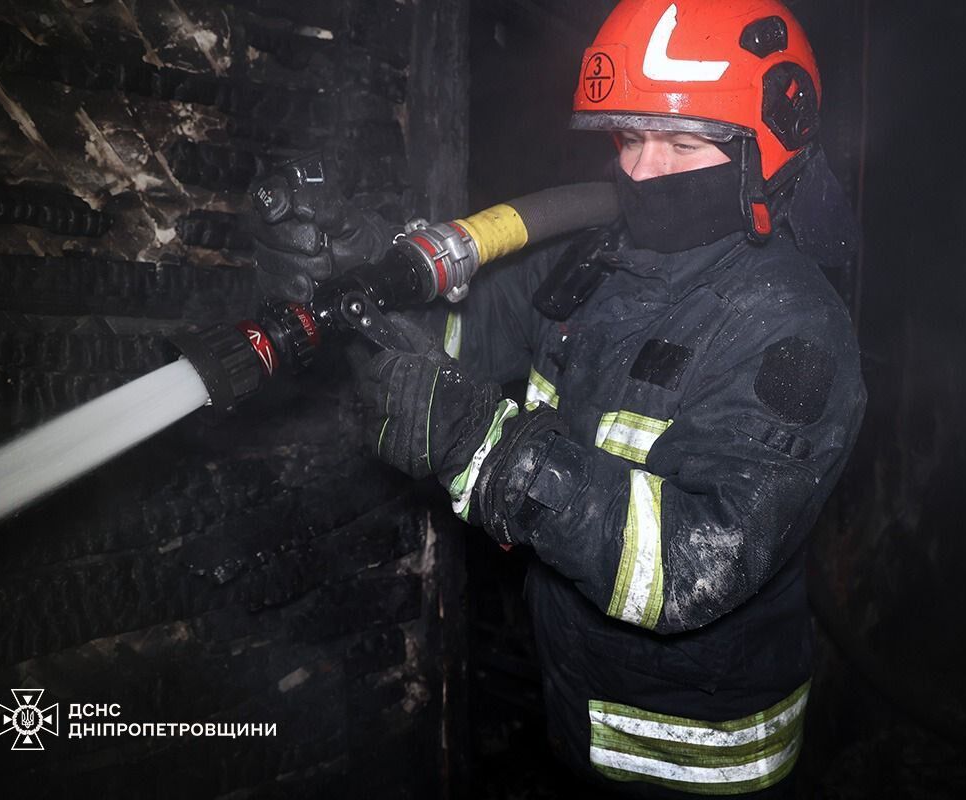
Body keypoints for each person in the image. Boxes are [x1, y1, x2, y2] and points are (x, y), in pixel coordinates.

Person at [252, 1, 865, 795]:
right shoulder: (593, 263)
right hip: (577, 712)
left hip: (698, 760)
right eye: (629, 137)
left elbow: (696, 566)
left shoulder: (793, 331)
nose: (641, 171)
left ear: (769, 147)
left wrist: (493, 454)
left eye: (681, 143)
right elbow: (454, 344)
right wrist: (350, 272)